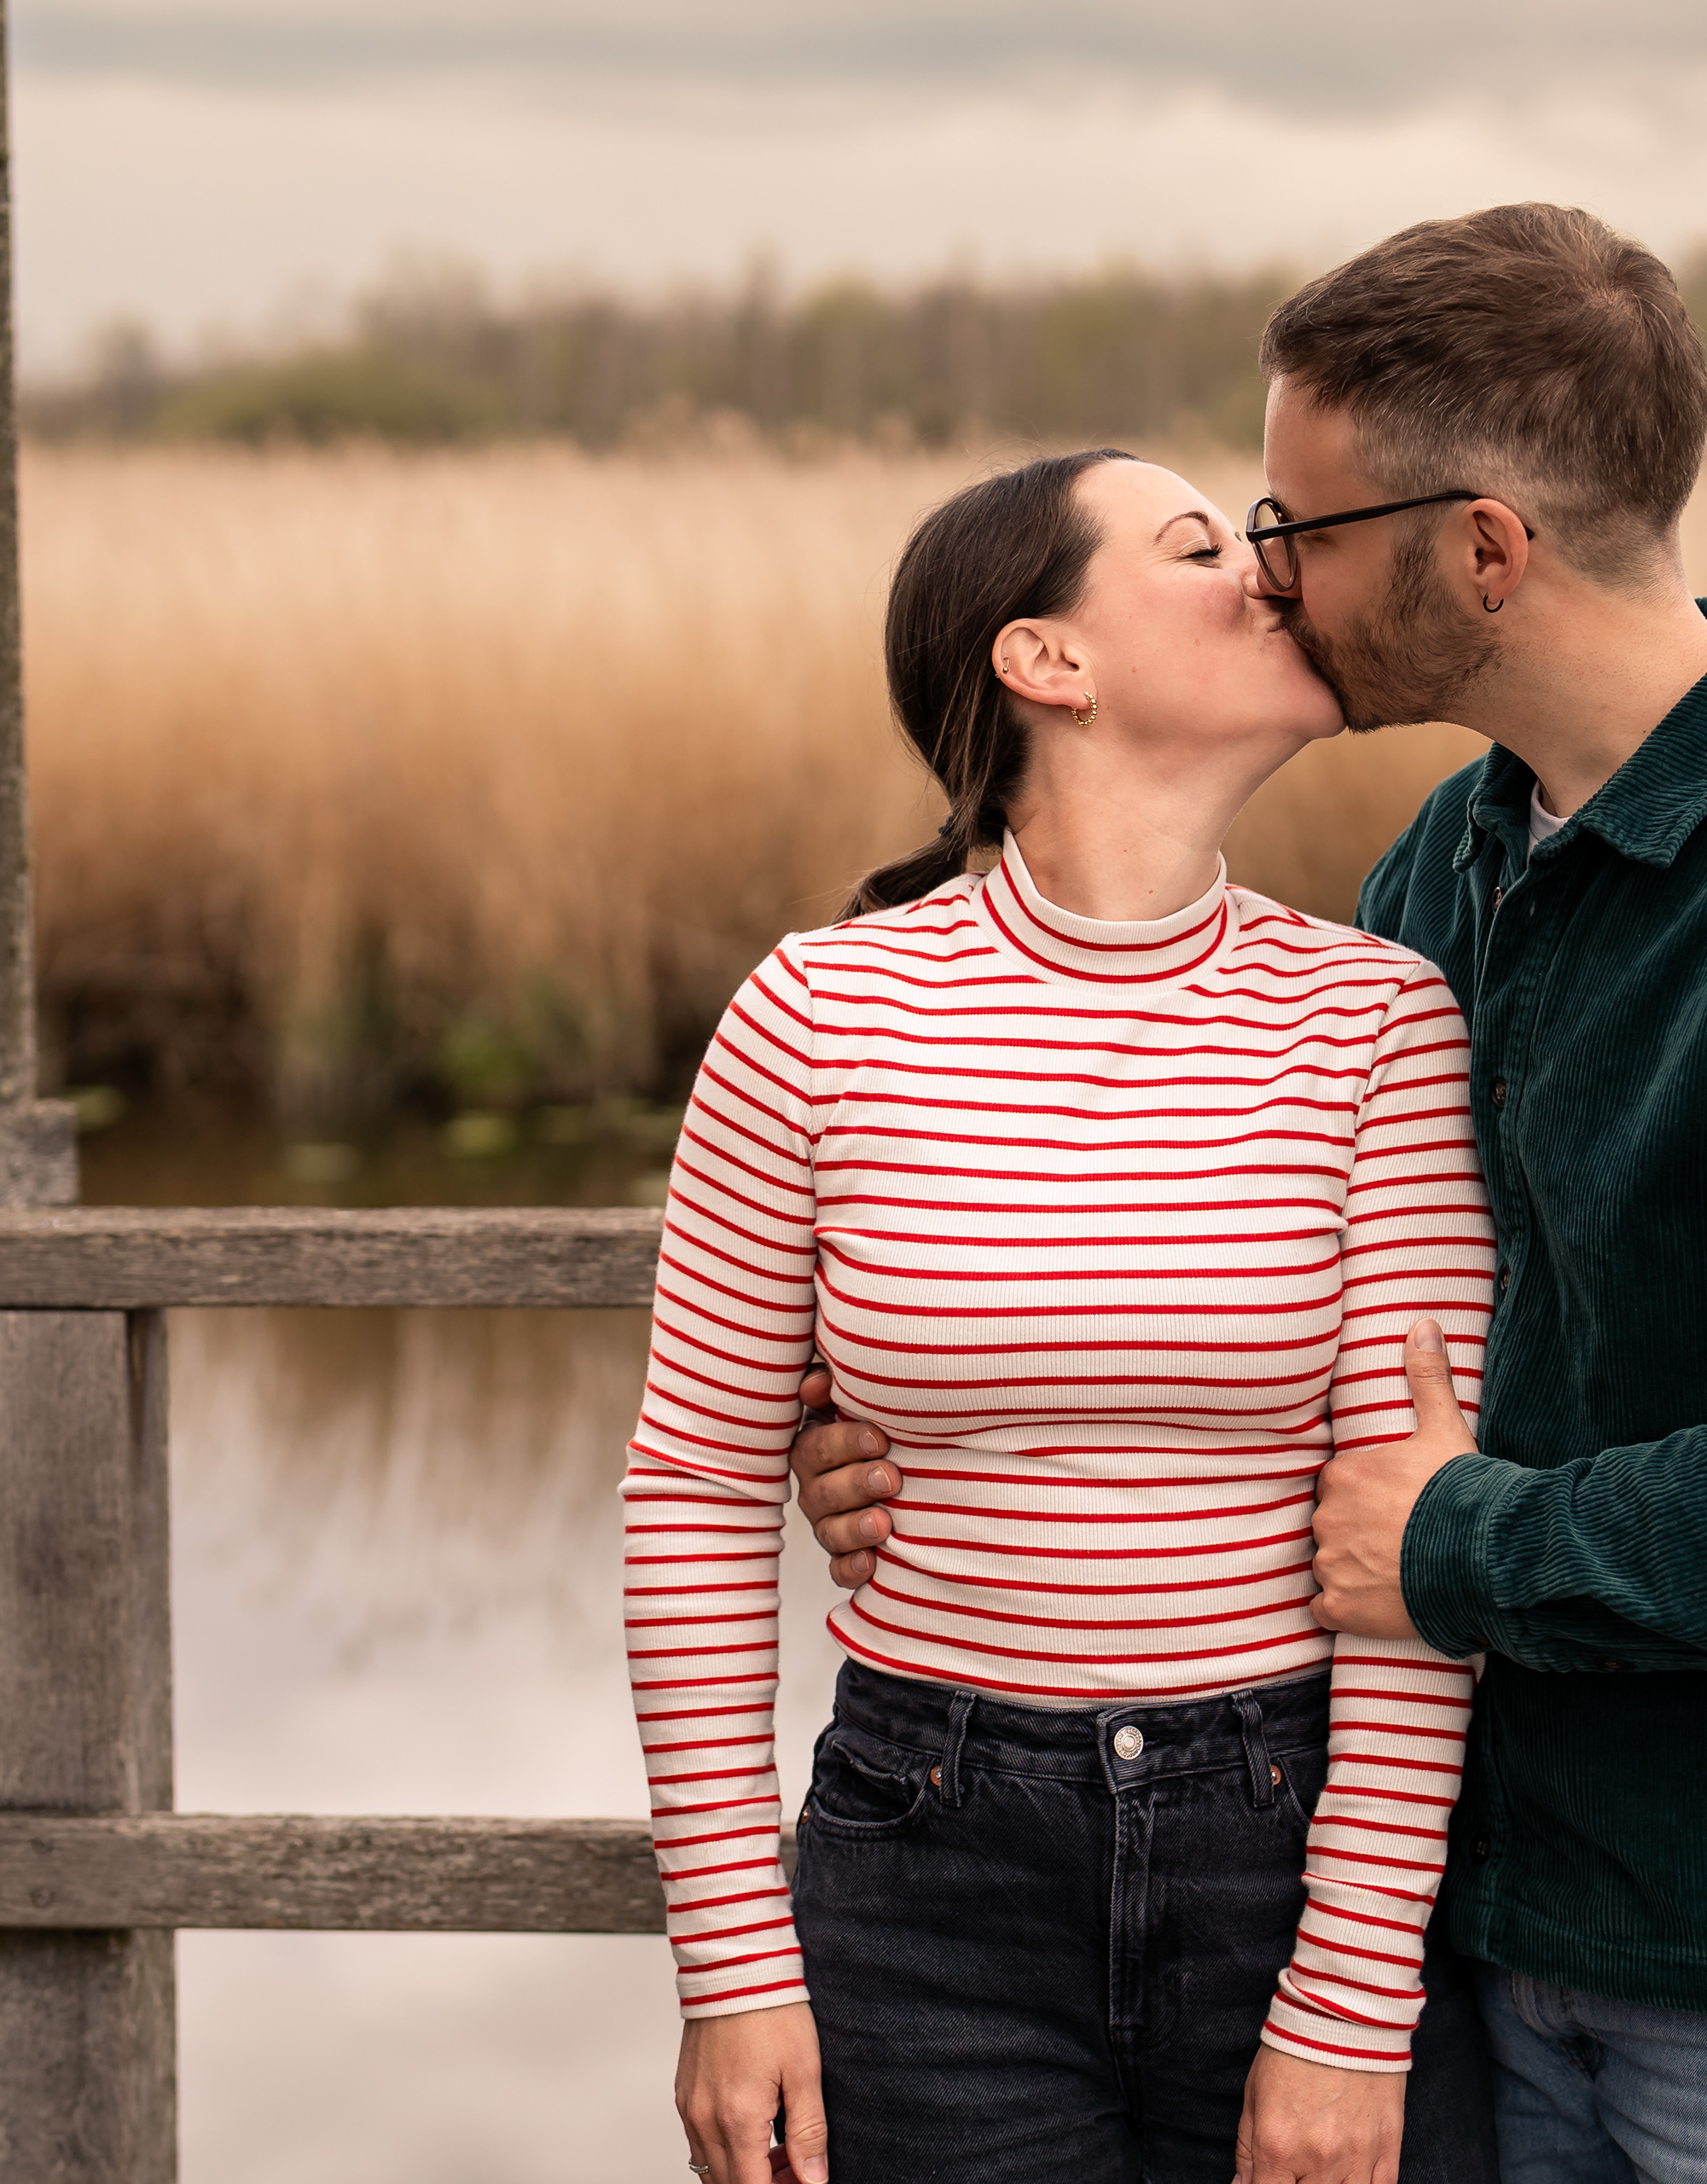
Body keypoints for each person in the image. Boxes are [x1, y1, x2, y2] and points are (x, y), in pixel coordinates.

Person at [791, 204, 1707, 2183]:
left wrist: (1475, 1544)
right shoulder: (1459, 864)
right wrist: (938, 1435)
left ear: (1483, 547)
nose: (1268, 570)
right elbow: (1296, 1306)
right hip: (1501, 1949)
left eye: (1299, 524)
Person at [623, 448, 1510, 2184]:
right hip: (925, 1868)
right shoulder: (816, 1016)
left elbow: (1417, 1538)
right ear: (1049, 660)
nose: (1264, 571)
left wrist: (1345, 2005)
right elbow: (698, 1493)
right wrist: (733, 1964)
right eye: (1199, 544)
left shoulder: (1378, 1019)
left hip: (1293, 1848)